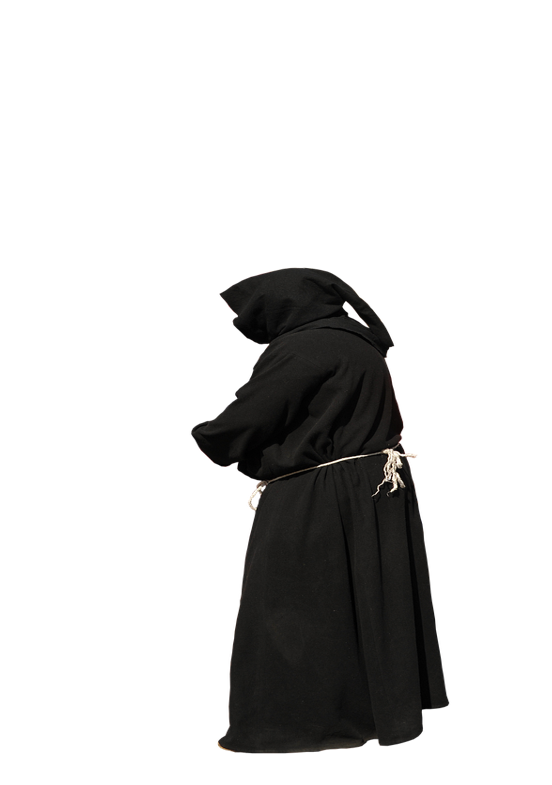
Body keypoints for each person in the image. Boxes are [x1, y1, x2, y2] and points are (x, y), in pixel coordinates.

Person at [190, 267, 448, 753]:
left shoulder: (302, 347)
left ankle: (295, 728)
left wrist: (206, 439)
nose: (245, 322)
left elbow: (244, 421)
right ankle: (371, 715)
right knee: (364, 602)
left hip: (319, 492)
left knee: (290, 609)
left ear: (281, 304)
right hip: (375, 488)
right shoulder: (358, 343)